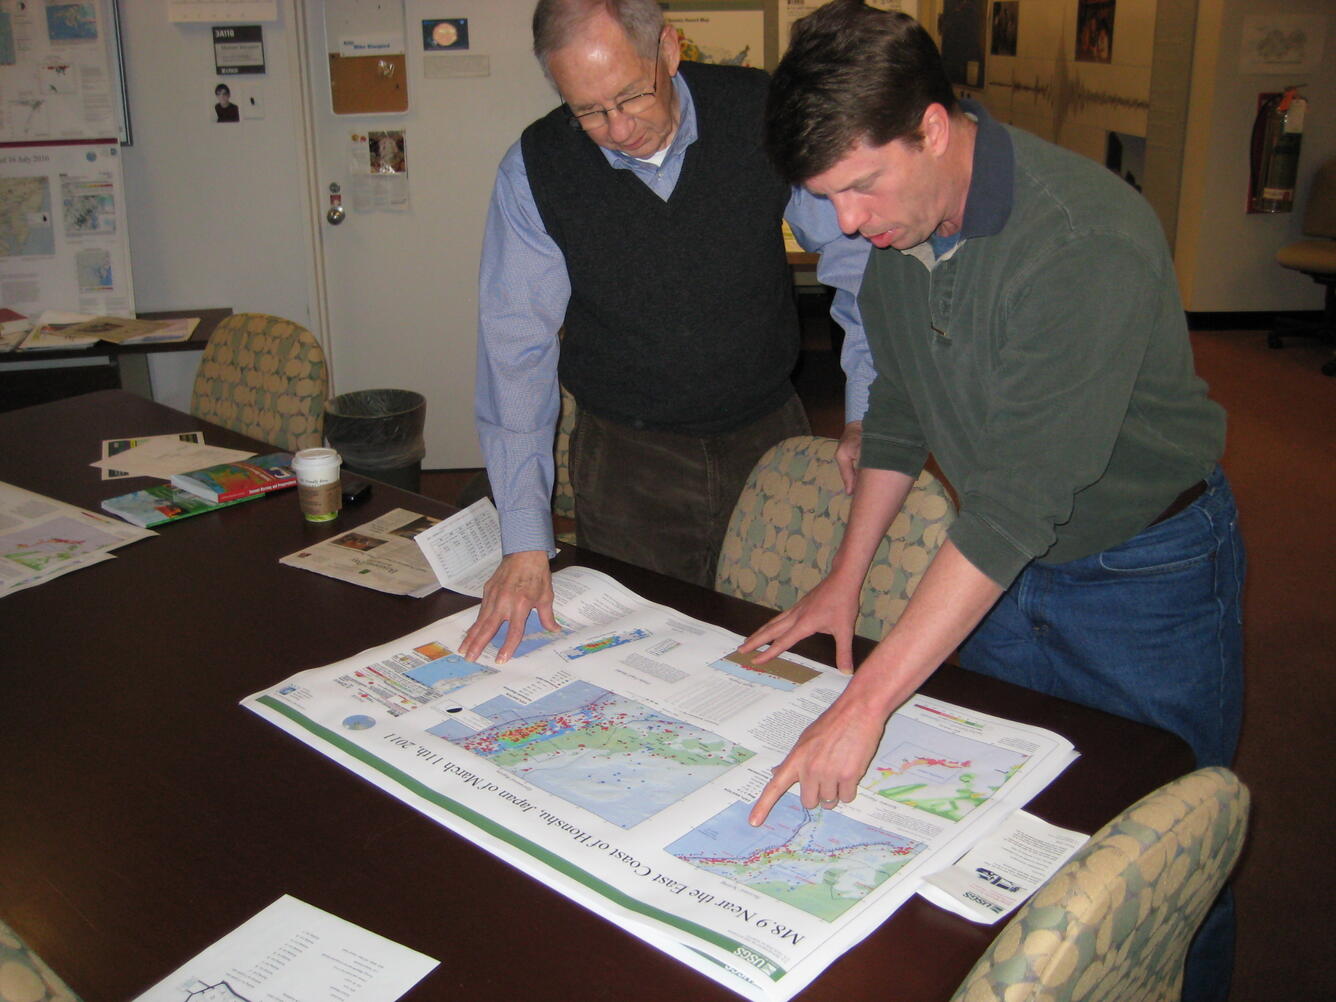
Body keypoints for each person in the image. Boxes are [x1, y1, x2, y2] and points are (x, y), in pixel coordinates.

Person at [741, 5, 1242, 1001]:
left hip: (1145, 572)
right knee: (1019, 836)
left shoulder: (1079, 237)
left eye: (857, 187)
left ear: (932, 126)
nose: (845, 224)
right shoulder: (901, 224)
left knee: (1168, 852)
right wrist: (846, 581)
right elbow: (896, 413)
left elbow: (1016, 501)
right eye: (822, 198)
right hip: (1000, 573)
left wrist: (866, 699)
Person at [461, 0, 873, 663]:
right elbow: (516, 352)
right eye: (588, 111)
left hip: (769, 436)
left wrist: (865, 414)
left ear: (670, 50)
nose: (618, 128)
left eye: (630, 95)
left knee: (787, 652)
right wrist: (525, 541)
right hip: (628, 461)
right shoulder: (535, 168)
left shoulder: (762, 113)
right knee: (640, 661)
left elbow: (858, 262)